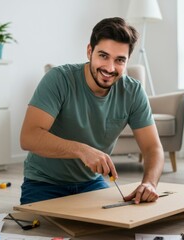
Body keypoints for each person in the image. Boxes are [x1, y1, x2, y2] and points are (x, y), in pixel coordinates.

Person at [19, 17, 164, 205]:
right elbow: (28, 137)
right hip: (44, 183)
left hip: (91, 183)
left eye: (120, 60)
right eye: (103, 56)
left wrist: (150, 184)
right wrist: (82, 150)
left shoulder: (133, 91)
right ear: (90, 51)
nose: (110, 68)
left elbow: (153, 148)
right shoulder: (59, 79)